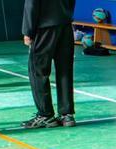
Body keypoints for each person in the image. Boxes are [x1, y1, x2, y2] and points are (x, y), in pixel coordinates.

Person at [21, 0, 77, 129]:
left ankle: (45, 115)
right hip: (65, 25)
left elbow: (32, 3)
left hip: (44, 28)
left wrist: (27, 31)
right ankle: (66, 114)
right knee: (65, 71)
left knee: (38, 71)